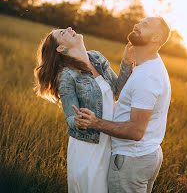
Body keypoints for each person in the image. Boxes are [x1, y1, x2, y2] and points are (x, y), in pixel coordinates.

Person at [73, 16, 171, 193]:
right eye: (139, 22)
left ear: (156, 38)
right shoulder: (146, 67)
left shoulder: (147, 76)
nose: (137, 25)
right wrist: (127, 62)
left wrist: (95, 123)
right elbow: (127, 96)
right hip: (143, 156)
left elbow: (136, 131)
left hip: (131, 161)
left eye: (145, 25)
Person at [34, 26, 134, 193]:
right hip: (88, 147)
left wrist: (127, 61)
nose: (69, 28)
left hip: (109, 141)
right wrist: (79, 122)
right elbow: (70, 117)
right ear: (60, 48)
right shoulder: (67, 75)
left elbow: (118, 91)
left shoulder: (96, 57)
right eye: (62, 33)